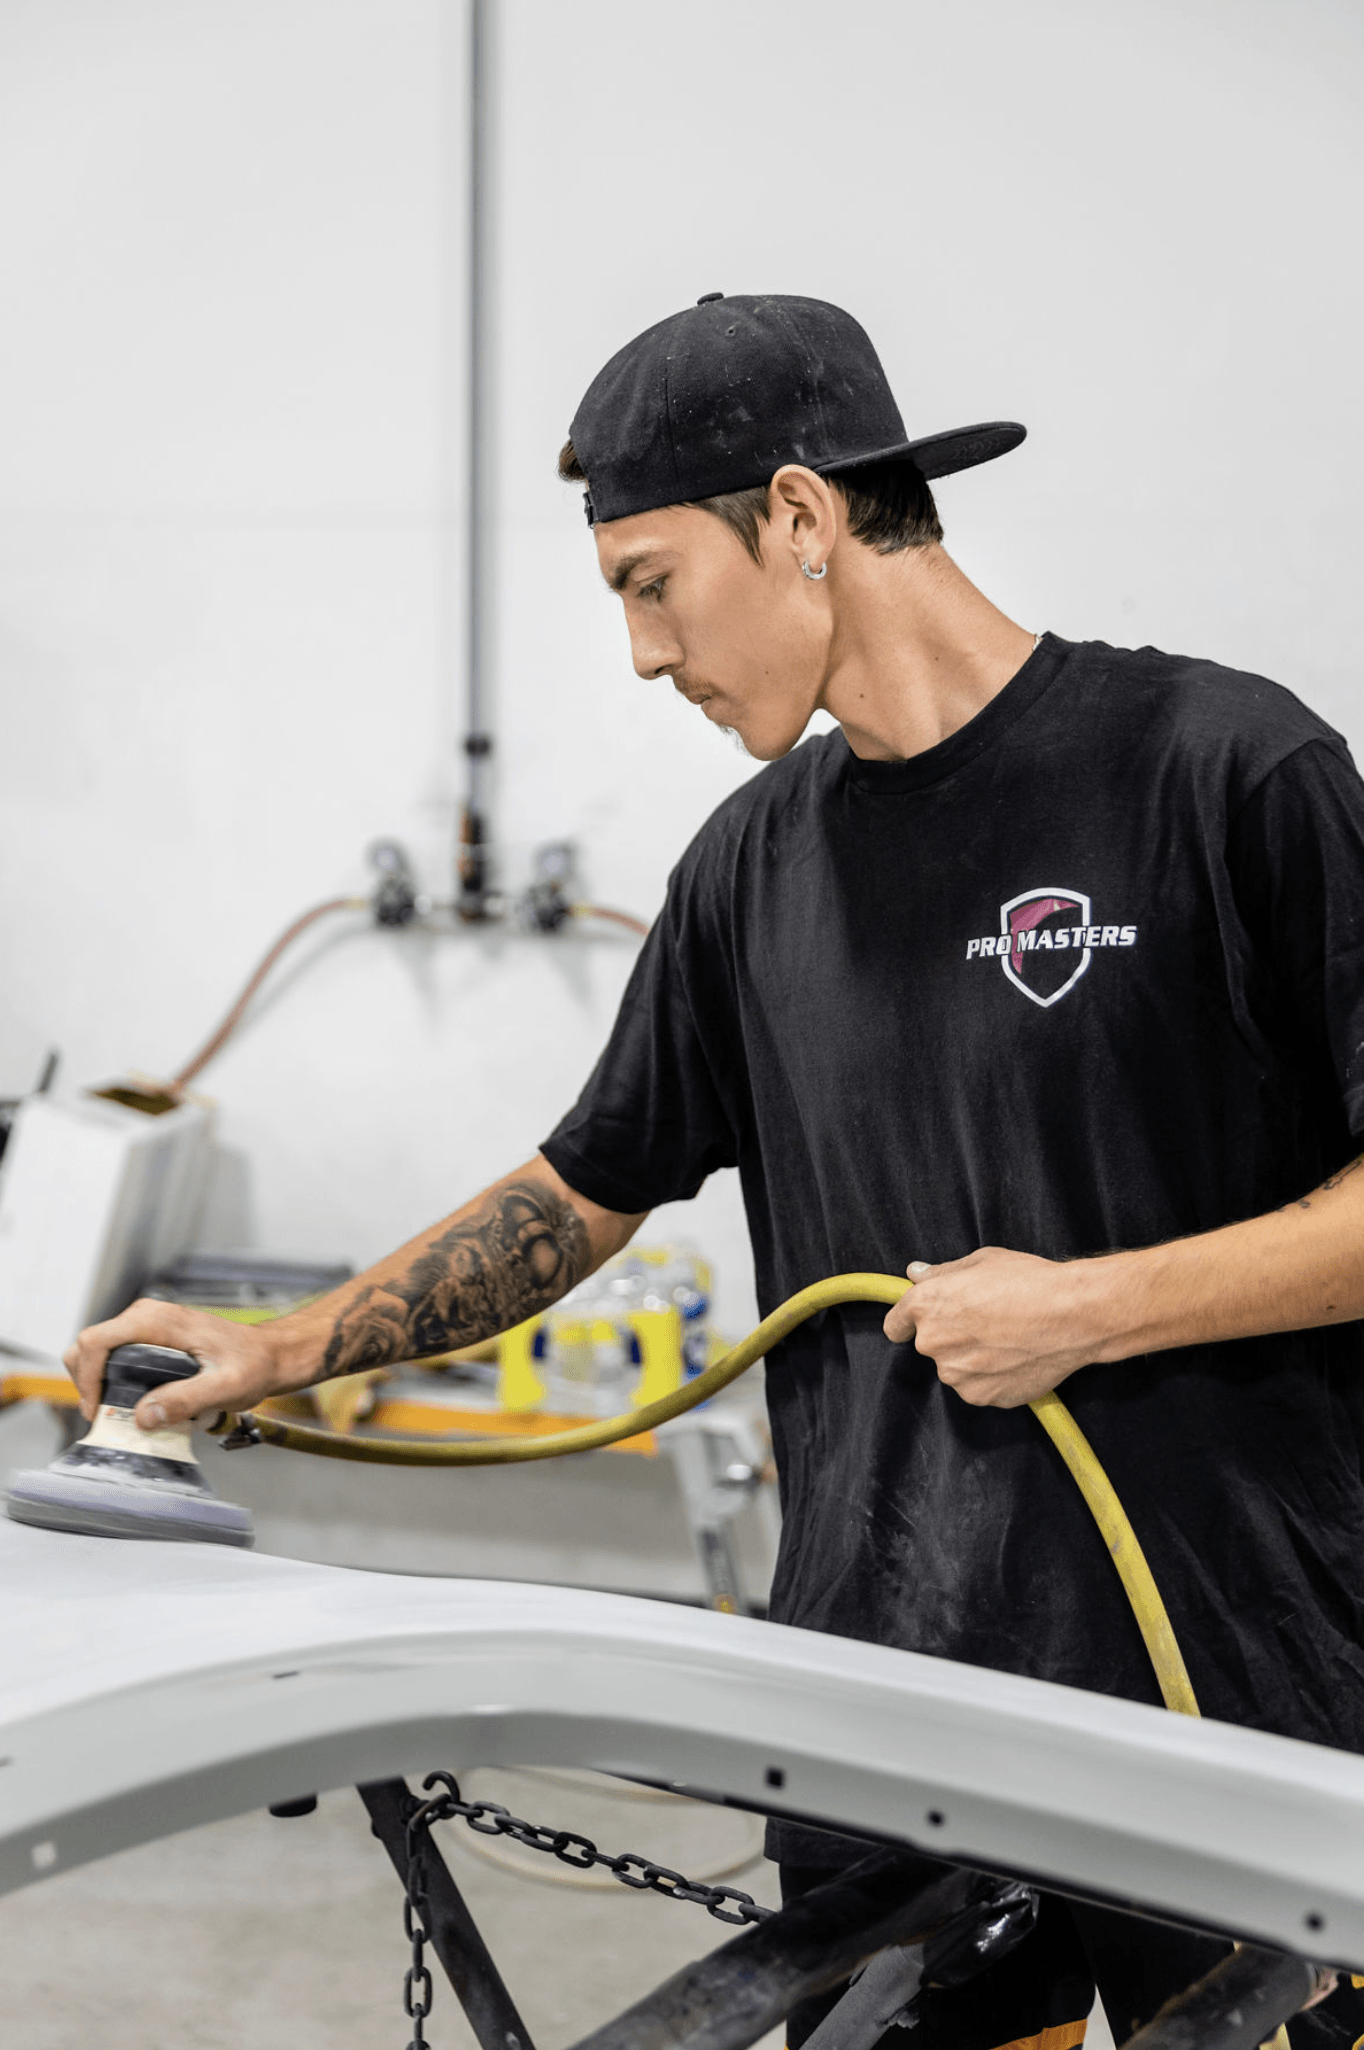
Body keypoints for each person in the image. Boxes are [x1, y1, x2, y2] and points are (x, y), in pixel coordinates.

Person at [67, 294, 1364, 2049]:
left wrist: (1094, 1307)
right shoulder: (753, 873)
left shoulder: (1221, 774)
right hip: (884, 1716)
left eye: (649, 580)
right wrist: (286, 1348)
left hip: (1242, 1718)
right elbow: (582, 1189)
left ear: (806, 519)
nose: (640, 651)